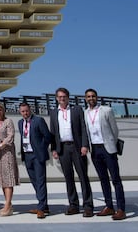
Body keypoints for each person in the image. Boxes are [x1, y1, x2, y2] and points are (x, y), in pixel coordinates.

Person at [49, 87, 93, 217]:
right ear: (56, 98)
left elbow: (83, 128)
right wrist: (54, 149)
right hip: (63, 148)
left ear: (68, 97)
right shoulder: (53, 112)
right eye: (59, 97)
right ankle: (73, 205)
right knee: (68, 178)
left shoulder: (76, 110)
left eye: (64, 96)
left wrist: (85, 145)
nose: (62, 99)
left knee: (83, 177)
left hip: (77, 147)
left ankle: (88, 205)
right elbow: (53, 132)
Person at [85, 88, 127, 220]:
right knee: (103, 179)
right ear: (85, 99)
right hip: (95, 149)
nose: (91, 98)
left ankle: (121, 209)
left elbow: (115, 130)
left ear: (97, 97)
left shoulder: (106, 110)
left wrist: (111, 144)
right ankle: (109, 206)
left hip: (107, 148)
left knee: (115, 179)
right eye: (88, 96)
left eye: (93, 96)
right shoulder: (85, 113)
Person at [17, 101, 54, 219]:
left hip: (37, 155)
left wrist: (41, 148)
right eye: (23, 111)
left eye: (26, 111)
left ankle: (41, 208)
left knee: (40, 181)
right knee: (34, 181)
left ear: (30, 110)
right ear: (20, 112)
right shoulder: (20, 123)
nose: (25, 113)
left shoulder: (38, 120)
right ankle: (44, 205)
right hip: (27, 155)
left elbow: (48, 136)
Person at [0, 101, 19, 216]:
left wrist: (0, 146)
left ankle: (8, 204)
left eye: (0, 110)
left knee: (8, 179)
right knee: (1, 179)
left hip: (6, 153)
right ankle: (8, 204)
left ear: (3, 111)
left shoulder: (8, 121)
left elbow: (11, 136)